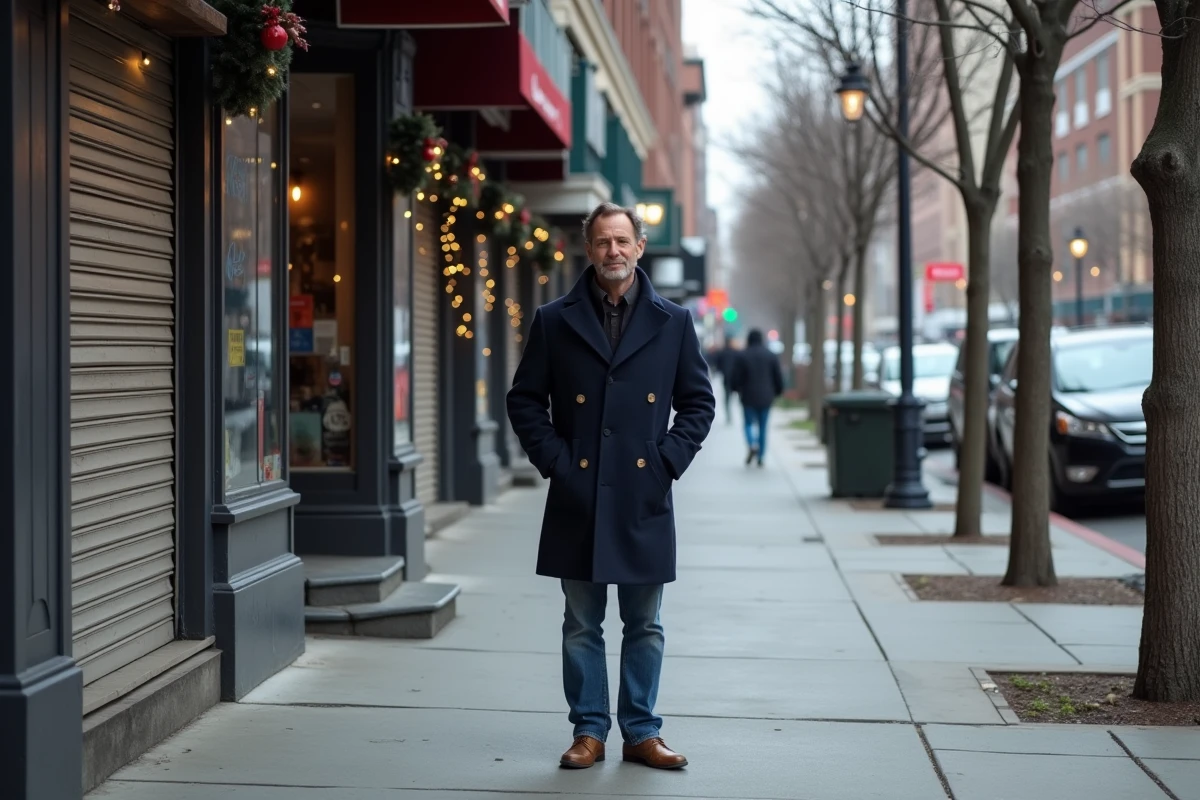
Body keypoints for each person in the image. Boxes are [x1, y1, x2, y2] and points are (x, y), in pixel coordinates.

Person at [506, 202, 715, 771]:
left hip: (644, 494)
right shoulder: (554, 319)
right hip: (579, 493)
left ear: (639, 247)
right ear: (589, 249)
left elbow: (698, 402)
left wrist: (667, 461)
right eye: (603, 242)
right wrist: (558, 462)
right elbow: (525, 401)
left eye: (622, 241)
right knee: (581, 623)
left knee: (645, 623)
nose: (613, 251)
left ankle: (642, 731)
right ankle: (589, 731)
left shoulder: (674, 321)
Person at [729, 328, 784, 466]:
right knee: (763, 427)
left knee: (748, 423)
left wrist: (735, 388)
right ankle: (761, 456)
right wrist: (778, 391)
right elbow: (777, 376)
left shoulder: (742, 356)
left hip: (748, 396)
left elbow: (736, 377)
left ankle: (752, 443)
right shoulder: (770, 355)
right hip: (766, 396)